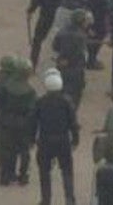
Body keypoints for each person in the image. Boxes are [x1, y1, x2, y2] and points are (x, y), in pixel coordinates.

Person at [0, 56, 36, 186]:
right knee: (24, 151)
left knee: (6, 149)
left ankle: (5, 176)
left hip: (6, 121)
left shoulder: (6, 86)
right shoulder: (30, 90)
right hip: (24, 123)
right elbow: (33, 109)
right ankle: (23, 176)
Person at [34, 71, 78, 205]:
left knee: (44, 172)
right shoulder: (67, 102)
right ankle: (69, 199)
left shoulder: (40, 102)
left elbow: (33, 122)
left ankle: (46, 199)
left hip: (45, 140)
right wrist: (76, 139)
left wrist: (31, 139)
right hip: (63, 140)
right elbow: (73, 123)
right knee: (67, 170)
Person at [53, 9, 91, 110]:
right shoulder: (81, 36)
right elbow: (81, 54)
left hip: (61, 67)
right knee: (74, 98)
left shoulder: (62, 31)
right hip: (75, 70)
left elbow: (55, 47)